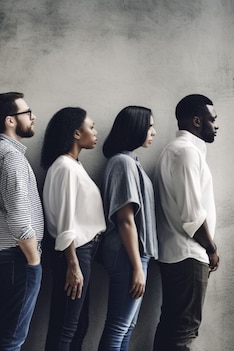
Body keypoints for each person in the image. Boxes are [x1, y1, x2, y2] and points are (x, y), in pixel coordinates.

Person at [153, 94, 219, 351]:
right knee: (184, 331)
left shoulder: (177, 151)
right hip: (188, 256)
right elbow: (192, 216)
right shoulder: (186, 153)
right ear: (196, 120)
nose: (216, 125)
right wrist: (211, 249)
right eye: (212, 120)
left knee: (171, 327)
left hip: (177, 254)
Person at [0, 92, 44, 351]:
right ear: (10, 120)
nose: (33, 117)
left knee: (5, 333)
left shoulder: (1, 153)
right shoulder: (10, 157)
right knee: (12, 338)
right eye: (27, 113)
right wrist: (34, 260)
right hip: (18, 257)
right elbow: (19, 218)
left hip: (10, 256)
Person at [41, 107, 106, 351]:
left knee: (77, 325)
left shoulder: (72, 165)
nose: (95, 132)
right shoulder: (65, 167)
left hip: (81, 252)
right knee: (67, 327)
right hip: (75, 252)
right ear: (77, 133)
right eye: (91, 127)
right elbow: (66, 223)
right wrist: (73, 265)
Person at [97, 106, 158, 351]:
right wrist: (136, 267)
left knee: (127, 326)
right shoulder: (122, 163)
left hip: (134, 254)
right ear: (136, 128)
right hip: (127, 254)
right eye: (150, 126)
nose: (154, 131)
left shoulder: (131, 162)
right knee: (119, 326)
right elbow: (124, 218)